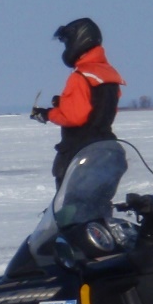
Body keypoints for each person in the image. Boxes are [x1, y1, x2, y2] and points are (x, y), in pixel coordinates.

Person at [30, 18, 126, 188]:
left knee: (71, 206)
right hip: (106, 148)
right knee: (98, 200)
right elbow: (99, 106)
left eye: (67, 42)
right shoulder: (108, 73)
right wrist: (63, 103)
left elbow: (74, 117)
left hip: (81, 152)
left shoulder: (81, 75)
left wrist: (47, 114)